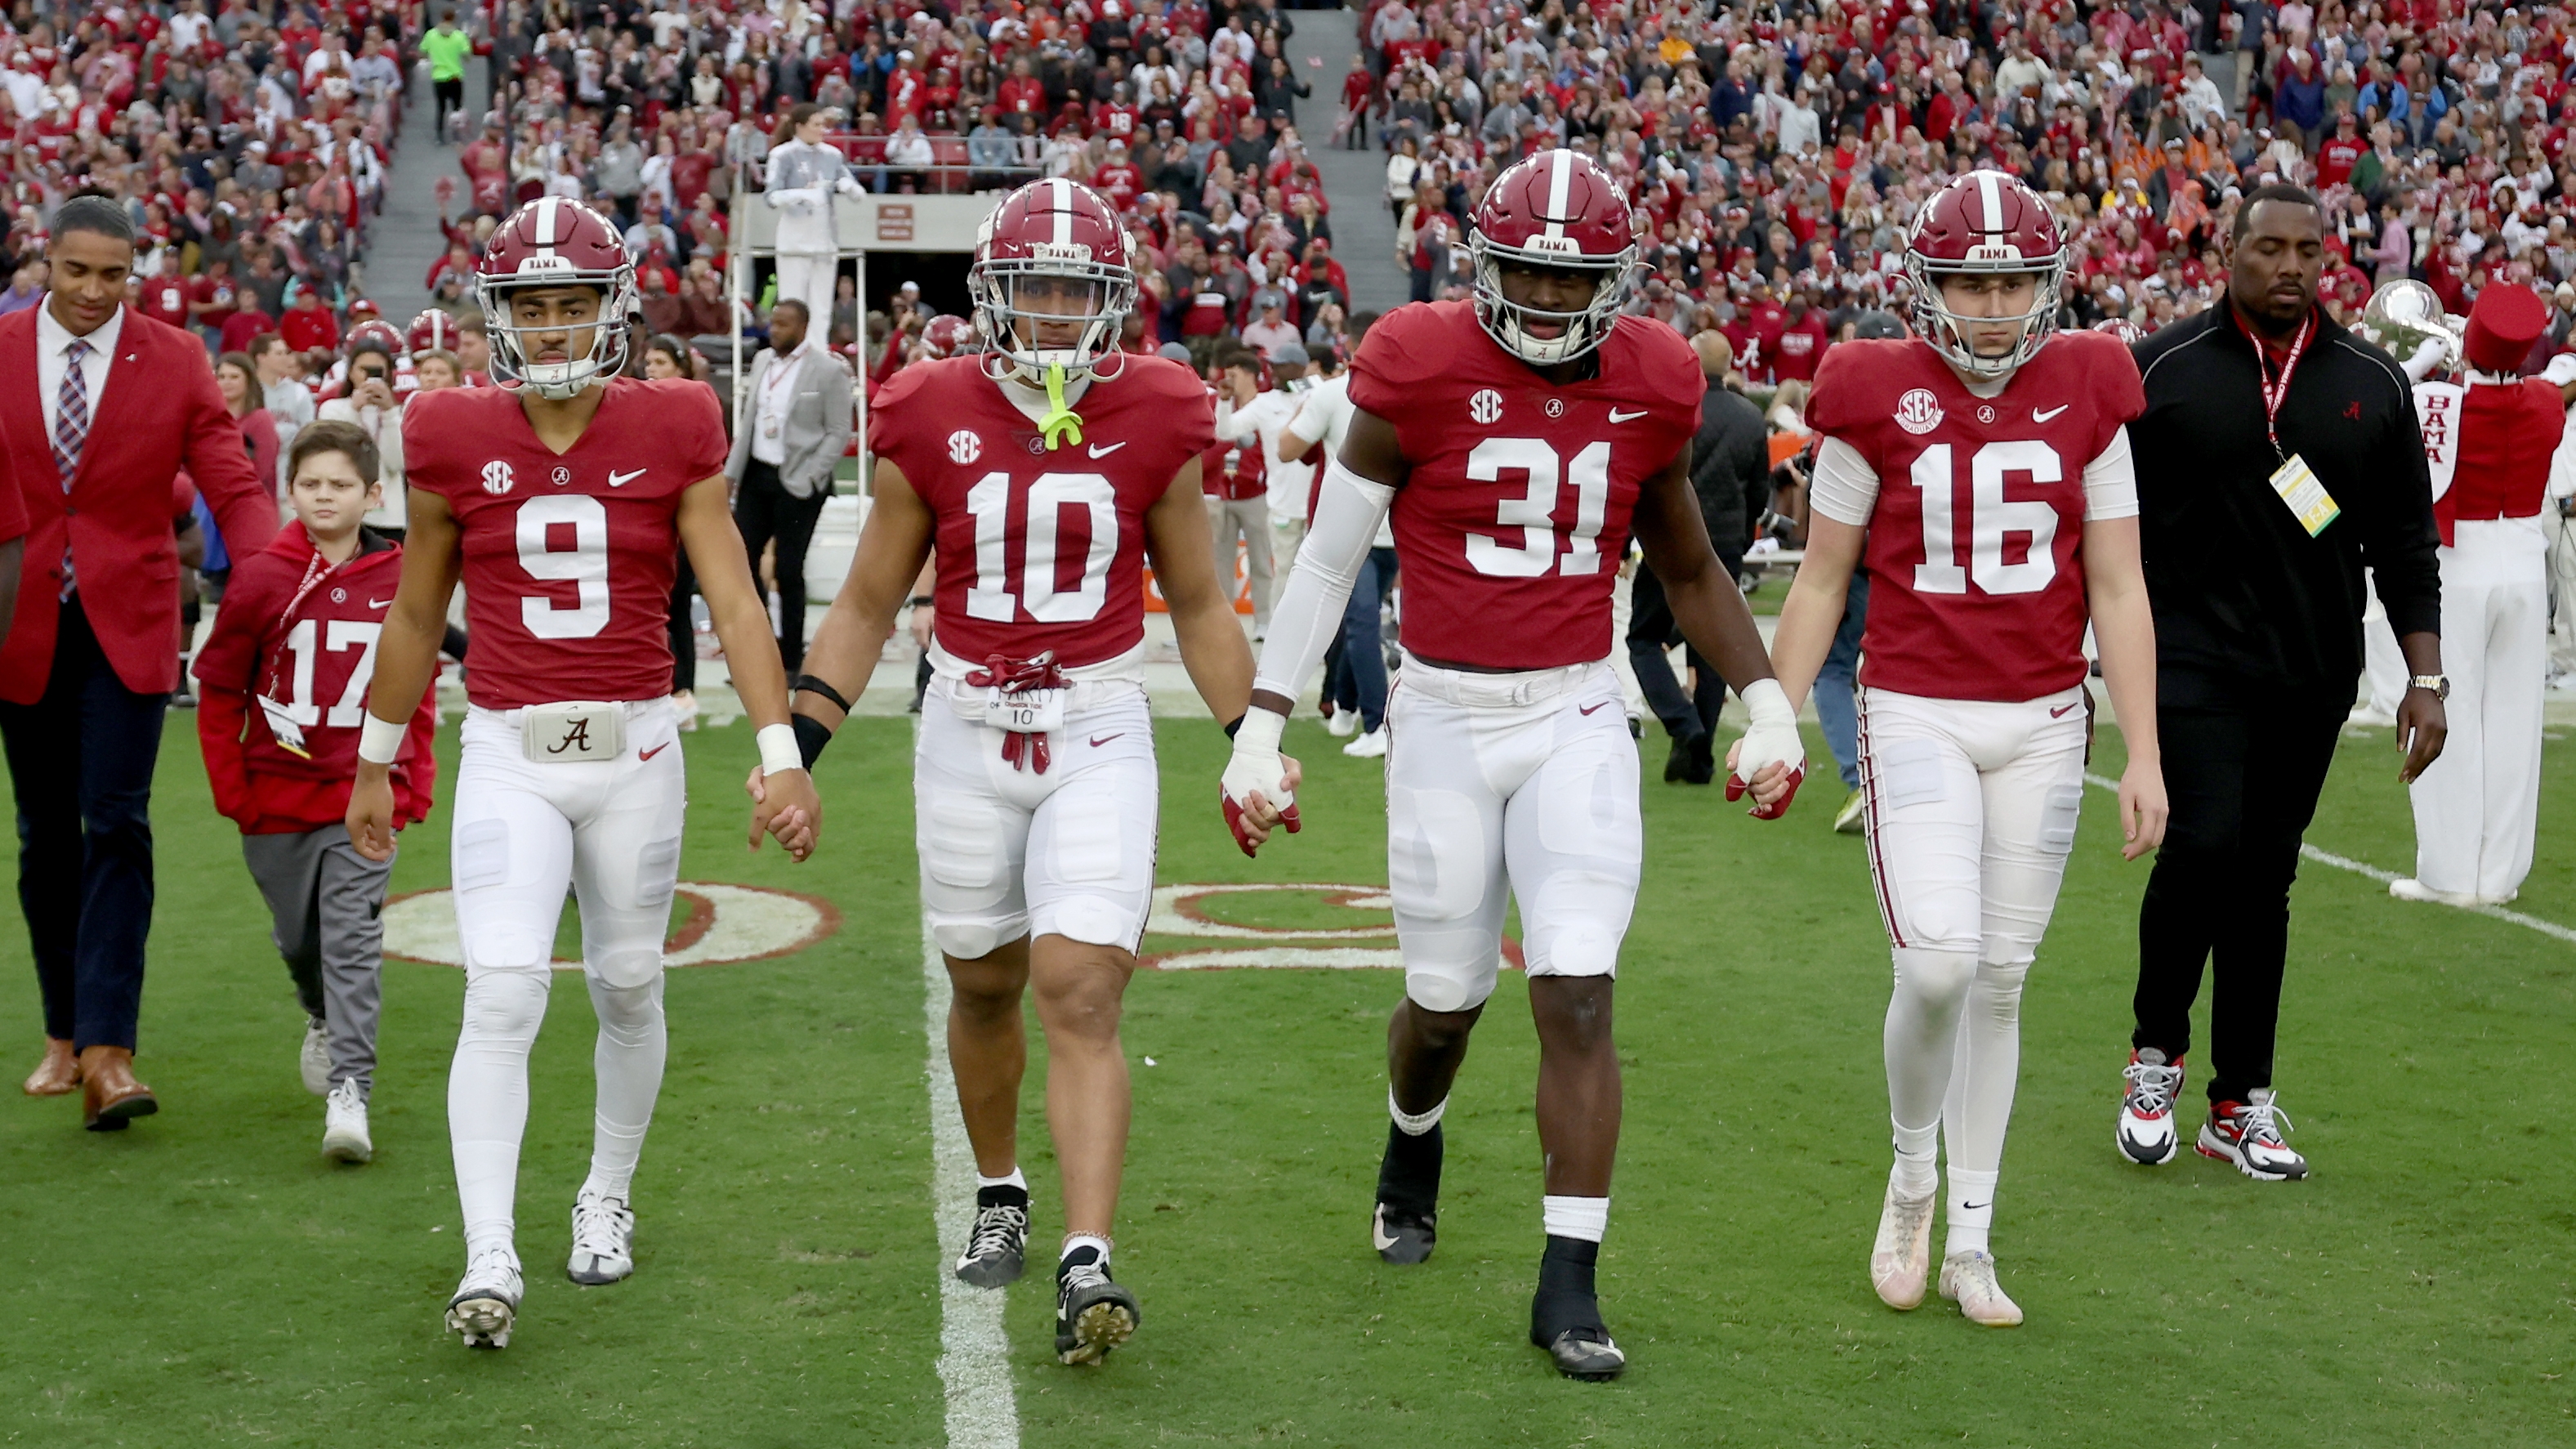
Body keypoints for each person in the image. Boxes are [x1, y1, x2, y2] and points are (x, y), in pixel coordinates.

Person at [1219, 150, 1804, 1381]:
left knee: (1578, 989)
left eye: (1569, 274)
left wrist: (1765, 704)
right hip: (1437, 712)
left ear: (1612, 277)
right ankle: (1411, 1137)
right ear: (1482, 263)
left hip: (1575, 711)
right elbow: (1327, 563)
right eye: (1525, 269)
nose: (1543, 296)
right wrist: (1263, 724)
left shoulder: (1649, 377)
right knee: (1442, 1010)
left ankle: (1569, 1282)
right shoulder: (1415, 364)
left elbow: (1687, 569)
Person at [782, 178, 1260, 1367]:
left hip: (1096, 718)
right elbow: (865, 601)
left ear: (1111, 302)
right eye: (1032, 288)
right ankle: (1001, 1189)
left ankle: (1086, 1255)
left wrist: (1254, 737)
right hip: (964, 721)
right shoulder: (926, 405)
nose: (1052, 312)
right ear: (990, 295)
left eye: (1075, 291)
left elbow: (1197, 599)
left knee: (1079, 988)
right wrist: (793, 750)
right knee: (985, 983)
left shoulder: (1157, 406)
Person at [345, 197, 821, 1350]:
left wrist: (779, 751)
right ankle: (489, 1249)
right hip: (509, 744)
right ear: (497, 316)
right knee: (502, 989)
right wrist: (373, 752)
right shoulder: (450, 428)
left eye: (573, 306)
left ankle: (606, 1188)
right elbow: (418, 610)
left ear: (614, 313)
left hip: (636, 746)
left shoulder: (676, 419)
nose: (553, 330)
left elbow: (733, 598)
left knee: (624, 983)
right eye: (530, 307)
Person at [1766, 170, 2169, 1329]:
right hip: (1916, 708)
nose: (1992, 308)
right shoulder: (1871, 387)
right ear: (1926, 286)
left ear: (2045, 284)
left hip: (2043, 717)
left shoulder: (2089, 382)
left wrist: (2140, 751)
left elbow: (2117, 581)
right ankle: (1909, 1179)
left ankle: (1974, 1242)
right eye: (1970, 283)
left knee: (2000, 979)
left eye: (2011, 282)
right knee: (1935, 965)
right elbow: (1825, 575)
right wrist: (1776, 710)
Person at [2117, 184, 2445, 1184]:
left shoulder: (2374, 382)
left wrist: (2425, 677)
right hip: (2191, 663)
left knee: (2267, 881)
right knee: (2204, 843)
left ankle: (2239, 1099)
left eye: (2308, 248)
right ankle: (2154, 1058)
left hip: (2312, 671)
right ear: (2229, 251)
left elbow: (2405, 543)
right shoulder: (2159, 370)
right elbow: (2108, 529)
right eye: (2268, 247)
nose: (2290, 266)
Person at [1, 195, 272, 1127]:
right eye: (76, 271)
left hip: (132, 619)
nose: (92, 292)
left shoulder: (177, 356)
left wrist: (275, 572)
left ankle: (111, 1054)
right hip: (19, 622)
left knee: (116, 819)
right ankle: (64, 1033)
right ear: (47, 262)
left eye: (112, 276)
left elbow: (229, 477)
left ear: (135, 275)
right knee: (44, 834)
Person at [193, 421, 437, 1164]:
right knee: (302, 942)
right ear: (288, 491)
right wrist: (234, 790)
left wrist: (412, 779)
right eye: (310, 484)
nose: (324, 496)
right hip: (275, 798)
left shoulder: (401, 576)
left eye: (339, 484)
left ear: (373, 493)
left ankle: (351, 1090)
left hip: (361, 795)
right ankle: (319, 1014)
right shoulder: (263, 576)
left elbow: (415, 689)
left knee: (353, 941)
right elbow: (220, 688)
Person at [2391, 284, 2563, 906]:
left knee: (2447, 713)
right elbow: (2548, 378)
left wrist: (2438, 351)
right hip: (2520, 563)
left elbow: (2393, 390)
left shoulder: (2436, 399)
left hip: (2456, 565)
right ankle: (2498, 876)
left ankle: (2446, 870)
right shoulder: (2545, 400)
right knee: (2515, 724)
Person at [1629, 330, 1768, 784]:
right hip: (1726, 540)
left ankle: (1681, 723)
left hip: (1668, 536)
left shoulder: (1673, 409)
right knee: (1712, 650)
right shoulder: (1750, 416)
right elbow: (1759, 488)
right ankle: (1700, 755)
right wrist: (1744, 536)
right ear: (1729, 363)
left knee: (1644, 639)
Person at [1279, 320, 1393, 757]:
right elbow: (1289, 450)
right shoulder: (1333, 393)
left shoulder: (1331, 393)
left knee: (1357, 623)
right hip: (1355, 531)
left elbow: (1288, 447)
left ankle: (1344, 702)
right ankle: (1375, 721)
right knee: (1364, 620)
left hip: (1389, 534)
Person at [723, 298, 853, 673]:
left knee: (789, 569)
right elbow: (749, 420)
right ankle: (760, 650)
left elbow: (839, 430)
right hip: (757, 475)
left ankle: (792, 660)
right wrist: (732, 474)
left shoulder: (828, 371)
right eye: (772, 323)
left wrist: (814, 474)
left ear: (803, 327)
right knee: (743, 561)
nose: (773, 330)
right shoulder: (763, 360)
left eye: (782, 325)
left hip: (799, 481)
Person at [644, 333, 707, 724]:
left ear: (680, 367)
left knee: (676, 604)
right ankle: (671, 687)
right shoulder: (635, 404)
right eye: (649, 362)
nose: (652, 370)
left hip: (682, 514)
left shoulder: (694, 404)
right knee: (661, 605)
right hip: (651, 514)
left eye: (661, 363)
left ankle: (682, 689)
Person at [765, 104, 865, 329]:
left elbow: (852, 186)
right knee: (793, 303)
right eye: (817, 124)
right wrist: (803, 195)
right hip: (795, 237)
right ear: (800, 126)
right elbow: (771, 197)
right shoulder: (782, 154)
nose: (822, 130)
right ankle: (792, 354)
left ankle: (818, 354)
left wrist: (849, 186)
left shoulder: (833, 154)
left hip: (825, 238)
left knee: (821, 307)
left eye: (824, 124)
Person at [318, 338, 408, 536]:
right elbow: (337, 455)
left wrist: (390, 413)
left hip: (389, 517)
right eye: (363, 370)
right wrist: (353, 409)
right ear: (350, 373)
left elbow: (397, 462)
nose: (369, 377)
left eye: (377, 371)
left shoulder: (396, 415)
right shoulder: (333, 408)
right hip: (346, 513)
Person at [423, 8, 473, 141]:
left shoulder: (431, 34)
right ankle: (457, 134)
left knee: (440, 107)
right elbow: (467, 56)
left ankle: (439, 135)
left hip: (438, 75)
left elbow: (422, 50)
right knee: (456, 107)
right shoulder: (459, 36)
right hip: (455, 75)